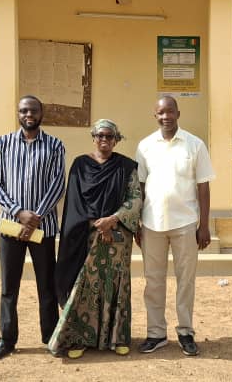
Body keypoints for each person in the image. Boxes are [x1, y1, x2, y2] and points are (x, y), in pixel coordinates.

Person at [48, 119, 142, 359]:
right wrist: (97, 225)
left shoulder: (126, 166)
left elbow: (135, 199)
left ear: (116, 140)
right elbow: (75, 203)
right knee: (85, 287)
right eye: (100, 135)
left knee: (116, 286)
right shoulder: (80, 165)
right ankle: (80, 338)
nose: (104, 140)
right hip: (86, 236)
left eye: (110, 136)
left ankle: (117, 337)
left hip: (118, 237)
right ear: (93, 137)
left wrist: (113, 220)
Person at [0, 95, 66, 361]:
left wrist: (36, 217)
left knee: (47, 285)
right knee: (9, 286)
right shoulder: (3, 144)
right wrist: (19, 213)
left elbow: (58, 184)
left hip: (44, 227)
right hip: (10, 226)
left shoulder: (55, 145)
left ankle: (51, 337)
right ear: (18, 114)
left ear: (41, 113)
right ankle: (7, 339)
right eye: (23, 110)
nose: (28, 114)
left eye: (33, 110)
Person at [135, 96, 214, 357]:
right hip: (152, 223)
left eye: (170, 111)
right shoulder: (145, 146)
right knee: (153, 281)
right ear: (154, 116)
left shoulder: (195, 145)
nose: (165, 116)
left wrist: (204, 225)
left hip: (186, 223)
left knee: (185, 281)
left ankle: (185, 332)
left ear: (178, 113)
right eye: (160, 112)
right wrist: (137, 222)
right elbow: (140, 187)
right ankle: (156, 333)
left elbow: (203, 185)